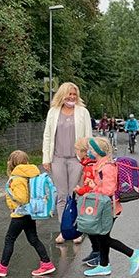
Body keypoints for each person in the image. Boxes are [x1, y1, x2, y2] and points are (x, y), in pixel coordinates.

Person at [0, 150, 56, 278]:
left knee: (9, 239)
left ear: (12, 163)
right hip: (29, 213)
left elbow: (21, 198)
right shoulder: (31, 174)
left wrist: (11, 193)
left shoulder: (17, 178)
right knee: (33, 239)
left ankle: (2, 267)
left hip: (20, 214)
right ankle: (46, 263)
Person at [80, 137, 139, 276]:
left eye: (91, 149)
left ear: (98, 151)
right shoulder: (101, 165)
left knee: (104, 238)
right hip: (106, 206)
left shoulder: (107, 167)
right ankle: (104, 265)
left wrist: (93, 188)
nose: (89, 152)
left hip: (110, 208)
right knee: (102, 237)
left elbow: (109, 190)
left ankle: (133, 254)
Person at [43, 82, 92, 244]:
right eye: (69, 94)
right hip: (57, 158)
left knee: (75, 193)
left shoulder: (83, 112)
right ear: (62, 95)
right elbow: (48, 136)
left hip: (76, 160)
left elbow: (88, 137)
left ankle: (76, 230)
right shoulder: (53, 112)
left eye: (74, 94)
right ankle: (64, 230)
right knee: (62, 195)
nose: (72, 97)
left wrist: (88, 158)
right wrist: (46, 158)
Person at [72, 137, 100, 267]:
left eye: (77, 150)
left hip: (92, 201)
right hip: (95, 200)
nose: (76, 153)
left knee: (91, 228)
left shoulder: (89, 167)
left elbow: (90, 186)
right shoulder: (92, 164)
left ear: (84, 152)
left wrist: (79, 190)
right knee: (92, 229)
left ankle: (98, 254)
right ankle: (95, 252)